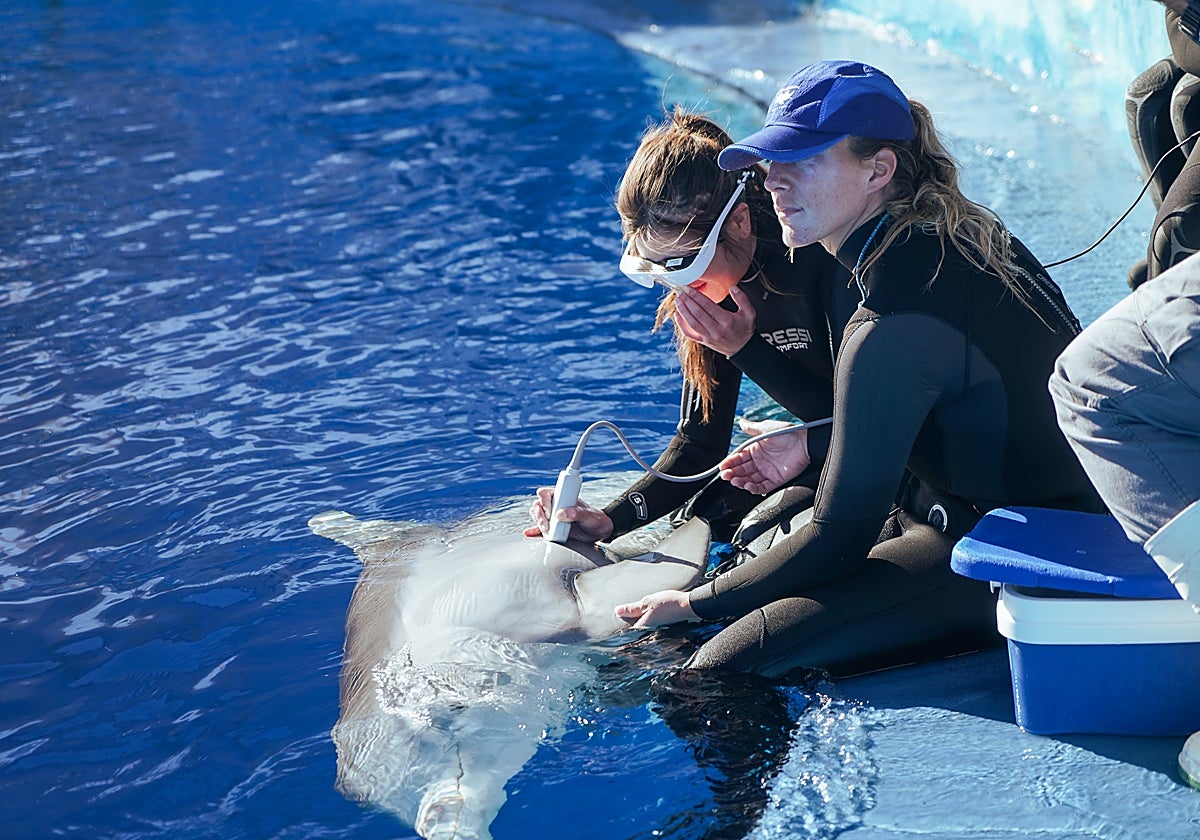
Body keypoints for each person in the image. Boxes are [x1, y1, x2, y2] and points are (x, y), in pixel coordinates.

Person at [614, 60, 1104, 678]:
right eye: (774, 162)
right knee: (754, 536)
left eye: (805, 161)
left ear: (878, 170)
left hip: (1014, 546)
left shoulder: (890, 318)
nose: (776, 184)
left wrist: (693, 602)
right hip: (950, 500)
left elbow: (838, 534)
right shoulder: (932, 237)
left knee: (715, 670)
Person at [525, 109, 858, 546]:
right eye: (659, 273)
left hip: (886, 441)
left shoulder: (822, 261)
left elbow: (871, 420)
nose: (681, 288)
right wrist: (611, 520)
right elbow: (700, 442)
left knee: (760, 534)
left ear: (738, 224)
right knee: (700, 518)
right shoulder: (706, 291)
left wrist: (744, 348)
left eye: (687, 267)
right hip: (821, 432)